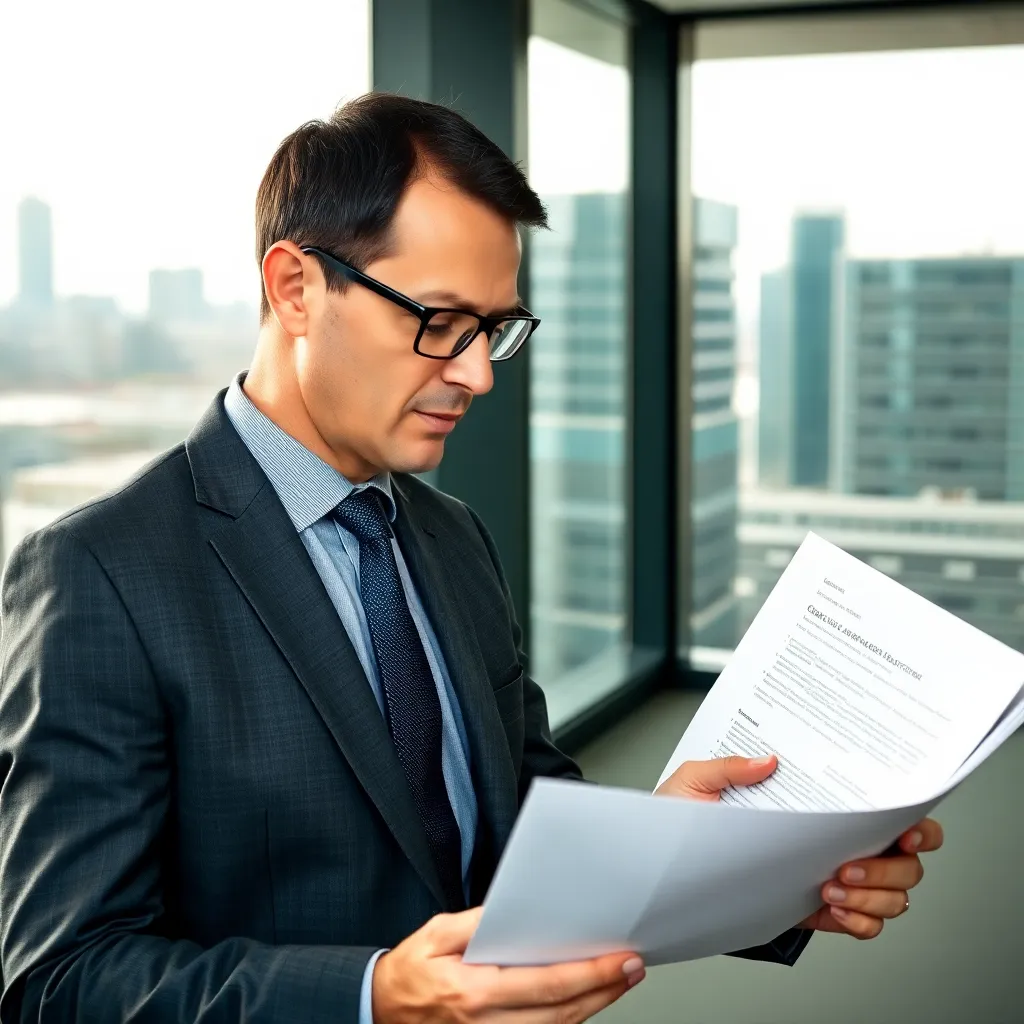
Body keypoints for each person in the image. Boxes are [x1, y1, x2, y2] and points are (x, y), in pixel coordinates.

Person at [0, 93, 942, 1024]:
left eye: (494, 329)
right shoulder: (97, 574)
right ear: (295, 289)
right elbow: (60, 980)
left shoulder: (452, 536)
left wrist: (711, 862)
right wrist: (374, 998)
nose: (477, 372)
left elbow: (524, 826)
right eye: (441, 320)